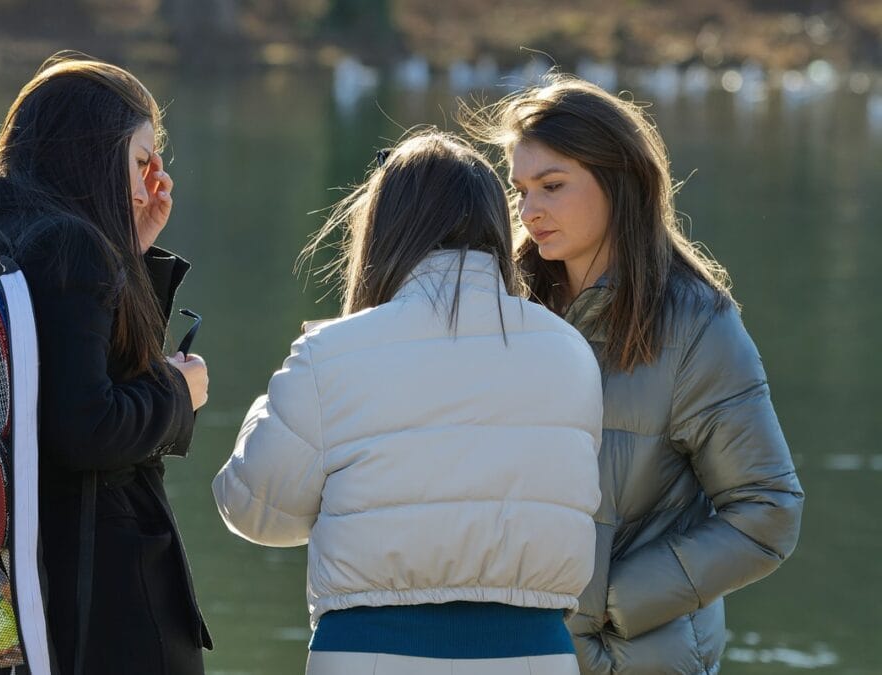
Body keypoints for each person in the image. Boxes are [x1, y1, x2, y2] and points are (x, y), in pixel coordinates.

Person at [213, 129, 604, 675]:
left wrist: (272, 400)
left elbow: (257, 511)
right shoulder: (570, 353)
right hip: (535, 652)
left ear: (382, 228)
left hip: (369, 650)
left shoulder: (331, 353)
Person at [462, 74, 805, 674]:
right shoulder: (500, 308)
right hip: (507, 653)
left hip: (637, 658)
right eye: (519, 190)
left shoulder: (698, 326)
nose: (528, 210)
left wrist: (610, 604)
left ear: (618, 181)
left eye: (552, 186)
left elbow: (768, 512)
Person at [0, 54, 211, 675]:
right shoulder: (71, 247)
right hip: (96, 611)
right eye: (141, 162)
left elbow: (61, 379)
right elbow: (87, 428)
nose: (150, 184)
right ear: (95, 153)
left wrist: (131, 250)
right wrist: (178, 391)